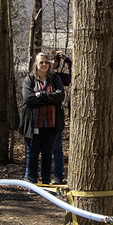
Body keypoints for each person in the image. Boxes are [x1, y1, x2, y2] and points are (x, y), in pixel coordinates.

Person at [20, 52, 65, 185]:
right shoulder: (29, 79)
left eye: (46, 62)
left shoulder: (55, 79)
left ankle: (45, 183)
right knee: (32, 154)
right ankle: (32, 183)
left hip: (51, 124)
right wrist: (50, 98)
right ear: (36, 64)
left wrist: (40, 95)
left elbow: (60, 97)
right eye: (41, 62)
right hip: (33, 124)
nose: (44, 65)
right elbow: (28, 99)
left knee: (47, 154)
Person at [51, 50, 73, 184]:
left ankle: (58, 176)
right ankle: (40, 175)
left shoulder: (58, 77)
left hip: (57, 116)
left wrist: (68, 61)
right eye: (51, 59)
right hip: (42, 116)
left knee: (57, 147)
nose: (53, 63)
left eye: (56, 61)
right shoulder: (38, 76)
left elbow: (73, 77)